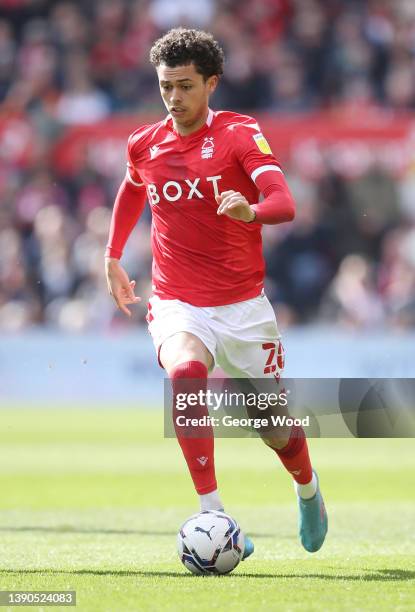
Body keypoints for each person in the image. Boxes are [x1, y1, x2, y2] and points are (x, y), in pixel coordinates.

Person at [105, 27, 327, 559]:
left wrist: (251, 209)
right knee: (185, 373)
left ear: (211, 84)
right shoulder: (144, 142)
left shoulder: (239, 134)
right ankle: (215, 515)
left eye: (185, 86)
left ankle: (308, 491)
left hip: (243, 307)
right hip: (177, 300)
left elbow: (284, 201)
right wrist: (112, 255)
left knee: (273, 426)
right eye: (166, 87)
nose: (174, 98)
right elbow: (134, 186)